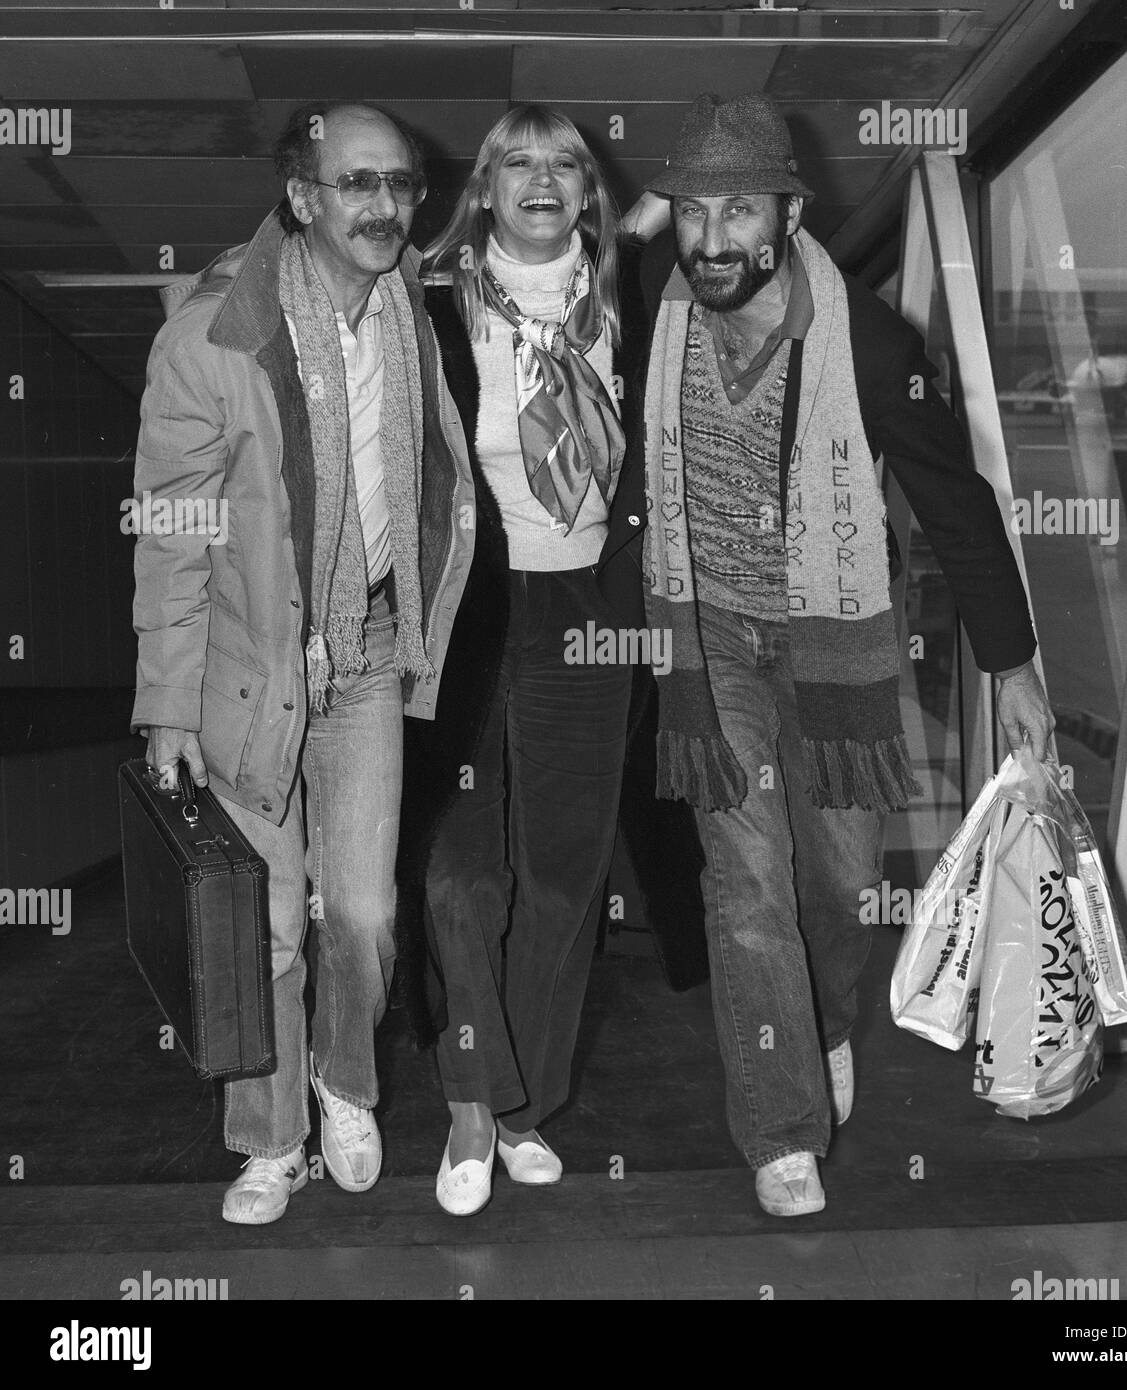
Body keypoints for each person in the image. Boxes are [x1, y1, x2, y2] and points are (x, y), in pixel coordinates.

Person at [631, 93, 1054, 1216]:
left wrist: (1012, 671)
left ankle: (820, 1023)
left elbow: (956, 505)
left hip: (832, 650)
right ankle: (779, 1130)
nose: (711, 238)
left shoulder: (868, 341)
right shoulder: (652, 311)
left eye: (738, 210)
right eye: (692, 212)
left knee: (837, 887)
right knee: (749, 887)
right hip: (708, 638)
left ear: (788, 212)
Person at [130, 102, 475, 1224]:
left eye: (402, 185)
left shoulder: (411, 316)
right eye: (358, 183)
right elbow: (173, 533)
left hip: (368, 654)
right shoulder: (211, 336)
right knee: (268, 926)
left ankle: (344, 1081)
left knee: (364, 914)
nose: (384, 206)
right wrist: (166, 708)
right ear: (302, 198)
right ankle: (271, 1141)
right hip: (251, 666)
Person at [399, 106, 637, 1216]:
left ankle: (523, 1104)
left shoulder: (632, 299)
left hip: (589, 606)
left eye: (564, 164)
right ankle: (466, 1099)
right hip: (467, 610)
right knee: (457, 870)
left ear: (588, 193)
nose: (541, 178)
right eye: (517, 163)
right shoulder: (431, 304)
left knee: (562, 872)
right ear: (486, 189)